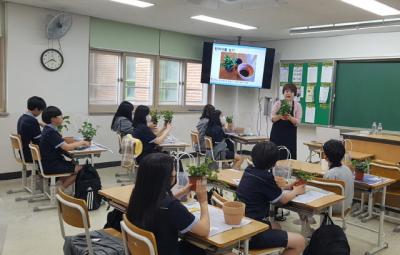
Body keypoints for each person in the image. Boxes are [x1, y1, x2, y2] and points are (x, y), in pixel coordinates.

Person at [126, 153, 209, 255]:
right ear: (165, 178)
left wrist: (181, 192)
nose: (174, 174)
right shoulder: (172, 207)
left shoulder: (138, 194)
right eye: (174, 171)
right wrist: (203, 202)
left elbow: (158, 204)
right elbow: (204, 230)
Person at [236, 142, 306, 255]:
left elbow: (267, 190)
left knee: (277, 226)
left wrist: (287, 187)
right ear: (274, 164)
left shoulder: (249, 170)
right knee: (300, 241)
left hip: (241, 224)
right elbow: (283, 199)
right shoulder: (265, 177)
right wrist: (296, 191)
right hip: (252, 232)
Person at [40, 106, 90, 189]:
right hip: (52, 165)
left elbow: (59, 143)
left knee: (74, 164)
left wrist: (65, 140)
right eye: (60, 116)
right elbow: (66, 147)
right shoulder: (51, 132)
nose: (62, 118)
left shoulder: (47, 129)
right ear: (53, 119)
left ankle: (59, 185)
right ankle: (60, 191)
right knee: (83, 170)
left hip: (48, 163)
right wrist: (82, 142)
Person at [270, 84, 302, 159]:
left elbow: (298, 122)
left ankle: (289, 170)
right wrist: (280, 116)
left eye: (291, 92)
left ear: (294, 94)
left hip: (290, 135)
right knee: (274, 153)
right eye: (286, 91)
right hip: (277, 133)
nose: (288, 93)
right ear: (283, 93)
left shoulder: (297, 105)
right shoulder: (278, 103)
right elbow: (272, 118)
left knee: (289, 154)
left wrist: (290, 118)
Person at [323, 139, 354, 214]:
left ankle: (307, 222)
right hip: (347, 205)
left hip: (334, 208)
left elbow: (324, 197)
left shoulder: (331, 174)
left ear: (326, 157)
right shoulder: (347, 168)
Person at [17, 96, 47, 163]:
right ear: (36, 109)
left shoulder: (22, 118)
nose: (40, 113)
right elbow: (39, 142)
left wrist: (39, 123)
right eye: (41, 110)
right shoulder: (32, 121)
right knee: (54, 152)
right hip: (31, 155)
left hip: (23, 153)